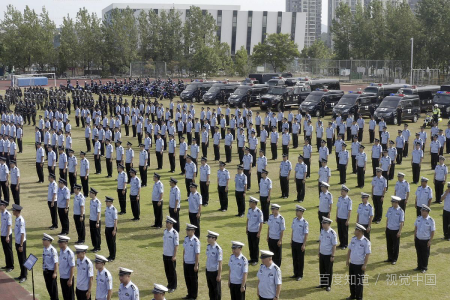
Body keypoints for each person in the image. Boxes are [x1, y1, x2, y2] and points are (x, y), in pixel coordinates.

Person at [346, 224, 371, 300]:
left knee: (359, 282)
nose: (354, 231)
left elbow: (367, 254)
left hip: (359, 265)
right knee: (352, 281)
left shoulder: (366, 242)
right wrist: (347, 260)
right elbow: (349, 250)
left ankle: (359, 297)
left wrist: (365, 265)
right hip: (352, 264)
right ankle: (352, 295)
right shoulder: (353, 239)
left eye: (356, 230)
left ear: (360, 231)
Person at [317, 217, 337, 292]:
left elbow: (334, 245)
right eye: (322, 223)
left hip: (328, 255)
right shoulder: (322, 231)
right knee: (322, 269)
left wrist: (333, 255)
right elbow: (320, 241)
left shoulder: (332, 233)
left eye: (324, 223)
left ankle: (328, 285)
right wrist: (319, 251)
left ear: (328, 224)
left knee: (328, 270)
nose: (322, 224)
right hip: (322, 253)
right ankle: (323, 283)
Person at [414, 204, 435, 273]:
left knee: (425, 254)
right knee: (419, 253)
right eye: (421, 210)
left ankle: (424, 267)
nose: (421, 212)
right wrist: (415, 237)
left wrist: (430, 241)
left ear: (427, 212)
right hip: (418, 239)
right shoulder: (419, 218)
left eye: (423, 211)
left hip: (425, 240)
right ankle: (419, 266)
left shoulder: (431, 220)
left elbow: (432, 231)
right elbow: (416, 228)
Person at [385, 196, 404, 265]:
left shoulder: (400, 211)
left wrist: (399, 231)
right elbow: (387, 219)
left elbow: (401, 222)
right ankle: (389, 257)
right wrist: (386, 227)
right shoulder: (390, 209)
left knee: (395, 245)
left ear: (396, 202)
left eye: (393, 202)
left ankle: (394, 259)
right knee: (389, 244)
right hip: (389, 229)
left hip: (395, 230)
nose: (392, 203)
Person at [291, 205, 308, 281]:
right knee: (294, 258)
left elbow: (306, 234)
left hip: (300, 243)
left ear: (301, 212)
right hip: (294, 242)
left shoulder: (305, 223)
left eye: (297, 211)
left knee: (300, 259)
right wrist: (291, 240)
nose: (296, 212)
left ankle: (300, 274)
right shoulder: (294, 220)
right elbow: (293, 231)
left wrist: (304, 244)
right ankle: (295, 273)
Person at [183, 224, 200, 300]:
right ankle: (189, 294)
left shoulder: (196, 241)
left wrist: (196, 265)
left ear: (193, 231)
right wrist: (183, 260)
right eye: (187, 230)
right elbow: (184, 250)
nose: (187, 231)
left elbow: (197, 254)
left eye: (188, 230)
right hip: (186, 262)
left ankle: (193, 296)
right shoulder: (186, 239)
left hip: (192, 263)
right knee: (187, 279)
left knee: (193, 280)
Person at [163, 216, 179, 293]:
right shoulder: (165, 231)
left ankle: (173, 286)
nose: (166, 224)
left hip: (171, 255)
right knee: (167, 270)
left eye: (168, 223)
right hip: (165, 254)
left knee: (172, 271)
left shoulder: (174, 233)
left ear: (171, 224)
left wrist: (174, 255)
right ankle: (169, 284)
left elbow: (176, 245)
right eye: (166, 222)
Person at [205, 230, 223, 300]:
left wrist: (219, 275)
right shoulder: (208, 246)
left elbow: (220, 263)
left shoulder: (218, 249)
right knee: (210, 289)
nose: (208, 239)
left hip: (215, 272)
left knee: (217, 290)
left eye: (209, 237)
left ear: (214, 239)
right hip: (208, 270)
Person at [42, 233, 59, 300]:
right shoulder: (44, 249)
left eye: (44, 240)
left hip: (51, 271)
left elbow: (56, 262)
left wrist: (55, 272)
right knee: (48, 287)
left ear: (49, 241)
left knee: (53, 289)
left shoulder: (52, 250)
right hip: (46, 271)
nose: (43, 241)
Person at [57, 235, 75, 300]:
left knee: (70, 297)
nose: (59, 244)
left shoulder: (69, 253)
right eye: (59, 242)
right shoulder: (61, 251)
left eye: (61, 242)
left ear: (66, 243)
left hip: (68, 278)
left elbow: (72, 267)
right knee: (65, 296)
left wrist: (70, 279)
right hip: (62, 277)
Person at [1, 200, 13, 272]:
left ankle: (11, 266)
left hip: (7, 234)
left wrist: (7, 236)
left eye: (1, 205)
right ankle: (7, 265)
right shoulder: (1, 213)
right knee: (5, 250)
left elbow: (9, 226)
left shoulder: (8, 214)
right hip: (2, 234)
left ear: (4, 206)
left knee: (9, 250)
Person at [104, 196, 118, 262]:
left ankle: (113, 256)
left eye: (107, 202)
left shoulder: (113, 210)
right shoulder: (107, 208)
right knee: (108, 242)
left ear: (111, 202)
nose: (106, 203)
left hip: (112, 228)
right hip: (107, 227)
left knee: (112, 243)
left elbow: (115, 220)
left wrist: (114, 230)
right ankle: (110, 255)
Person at [89, 188, 101, 252]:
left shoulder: (97, 202)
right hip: (91, 219)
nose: (89, 194)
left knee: (97, 234)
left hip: (96, 220)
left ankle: (98, 247)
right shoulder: (91, 201)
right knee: (92, 234)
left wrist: (97, 222)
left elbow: (98, 213)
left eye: (90, 193)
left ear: (94, 194)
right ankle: (94, 246)